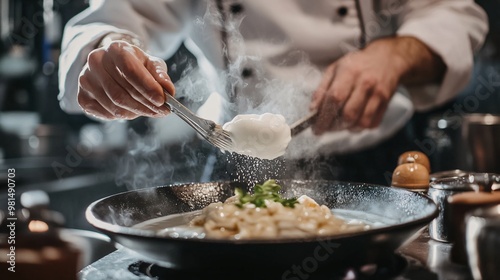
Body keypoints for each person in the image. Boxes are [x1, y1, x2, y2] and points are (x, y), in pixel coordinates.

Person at [58, 0, 488, 186]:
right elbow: (110, 17)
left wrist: (397, 53)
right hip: (230, 167)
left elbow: (455, 12)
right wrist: (107, 55)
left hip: (377, 169)